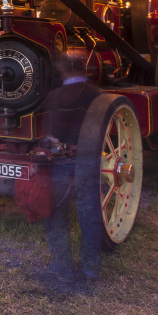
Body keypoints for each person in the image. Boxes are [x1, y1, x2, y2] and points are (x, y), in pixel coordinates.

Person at [40, 50, 103, 285]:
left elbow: (49, 134)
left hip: (60, 164)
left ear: (62, 70)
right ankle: (90, 267)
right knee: (89, 214)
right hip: (89, 163)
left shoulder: (54, 97)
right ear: (85, 69)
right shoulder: (97, 96)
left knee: (56, 214)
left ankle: (62, 267)